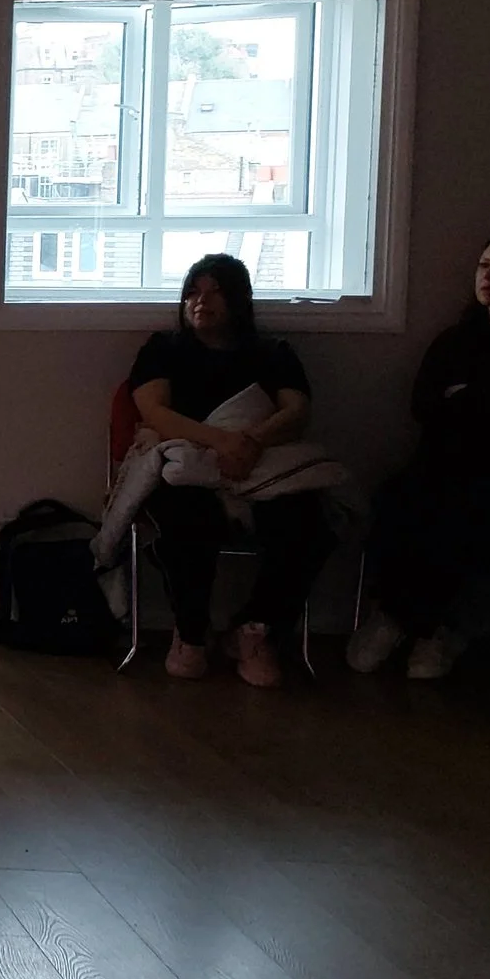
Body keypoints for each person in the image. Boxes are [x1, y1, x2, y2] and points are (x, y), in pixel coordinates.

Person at [128, 253, 334, 686]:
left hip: (261, 463)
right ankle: (191, 633)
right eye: (193, 292)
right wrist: (221, 441)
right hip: (189, 466)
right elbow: (153, 410)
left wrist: (252, 442)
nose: (201, 302)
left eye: (215, 292)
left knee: (310, 524)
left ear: (240, 301)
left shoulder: (273, 352)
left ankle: (254, 631)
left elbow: (297, 411)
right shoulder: (163, 348)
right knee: (183, 517)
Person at [347, 236, 490, 679]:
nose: (488, 277)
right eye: (484, 265)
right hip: (438, 466)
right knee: (401, 501)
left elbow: (460, 409)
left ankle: (439, 628)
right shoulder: (455, 341)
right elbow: (425, 406)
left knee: (470, 514)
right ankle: (397, 616)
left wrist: (467, 400)